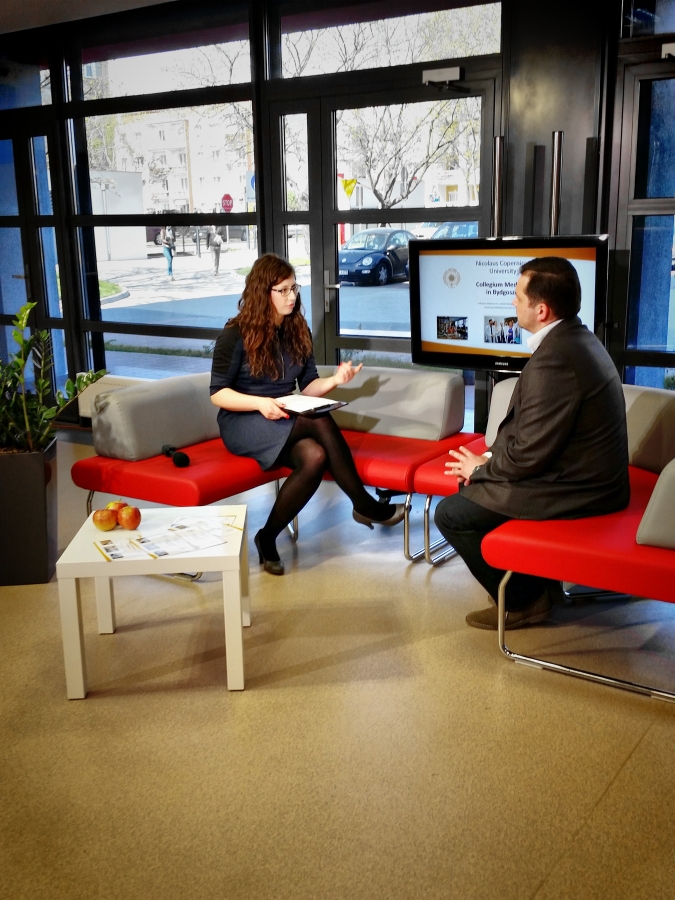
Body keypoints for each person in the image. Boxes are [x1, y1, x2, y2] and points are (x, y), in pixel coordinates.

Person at [434, 257, 629, 630]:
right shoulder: (574, 337)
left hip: (579, 487)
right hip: (580, 472)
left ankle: (525, 600)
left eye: (518, 296)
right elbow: (536, 436)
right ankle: (534, 584)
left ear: (542, 310)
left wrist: (483, 467)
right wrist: (487, 460)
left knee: (452, 514)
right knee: (470, 486)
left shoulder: (556, 360)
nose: (512, 302)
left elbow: (529, 454)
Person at [209, 254, 405, 575]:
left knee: (314, 457)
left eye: (294, 288)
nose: (292, 296)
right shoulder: (235, 335)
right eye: (283, 290)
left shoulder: (298, 329)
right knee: (318, 418)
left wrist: (335, 380)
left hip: (284, 417)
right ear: (263, 292)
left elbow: (309, 386)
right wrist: (260, 404)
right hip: (244, 420)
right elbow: (218, 393)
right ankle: (364, 504)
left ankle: (266, 537)